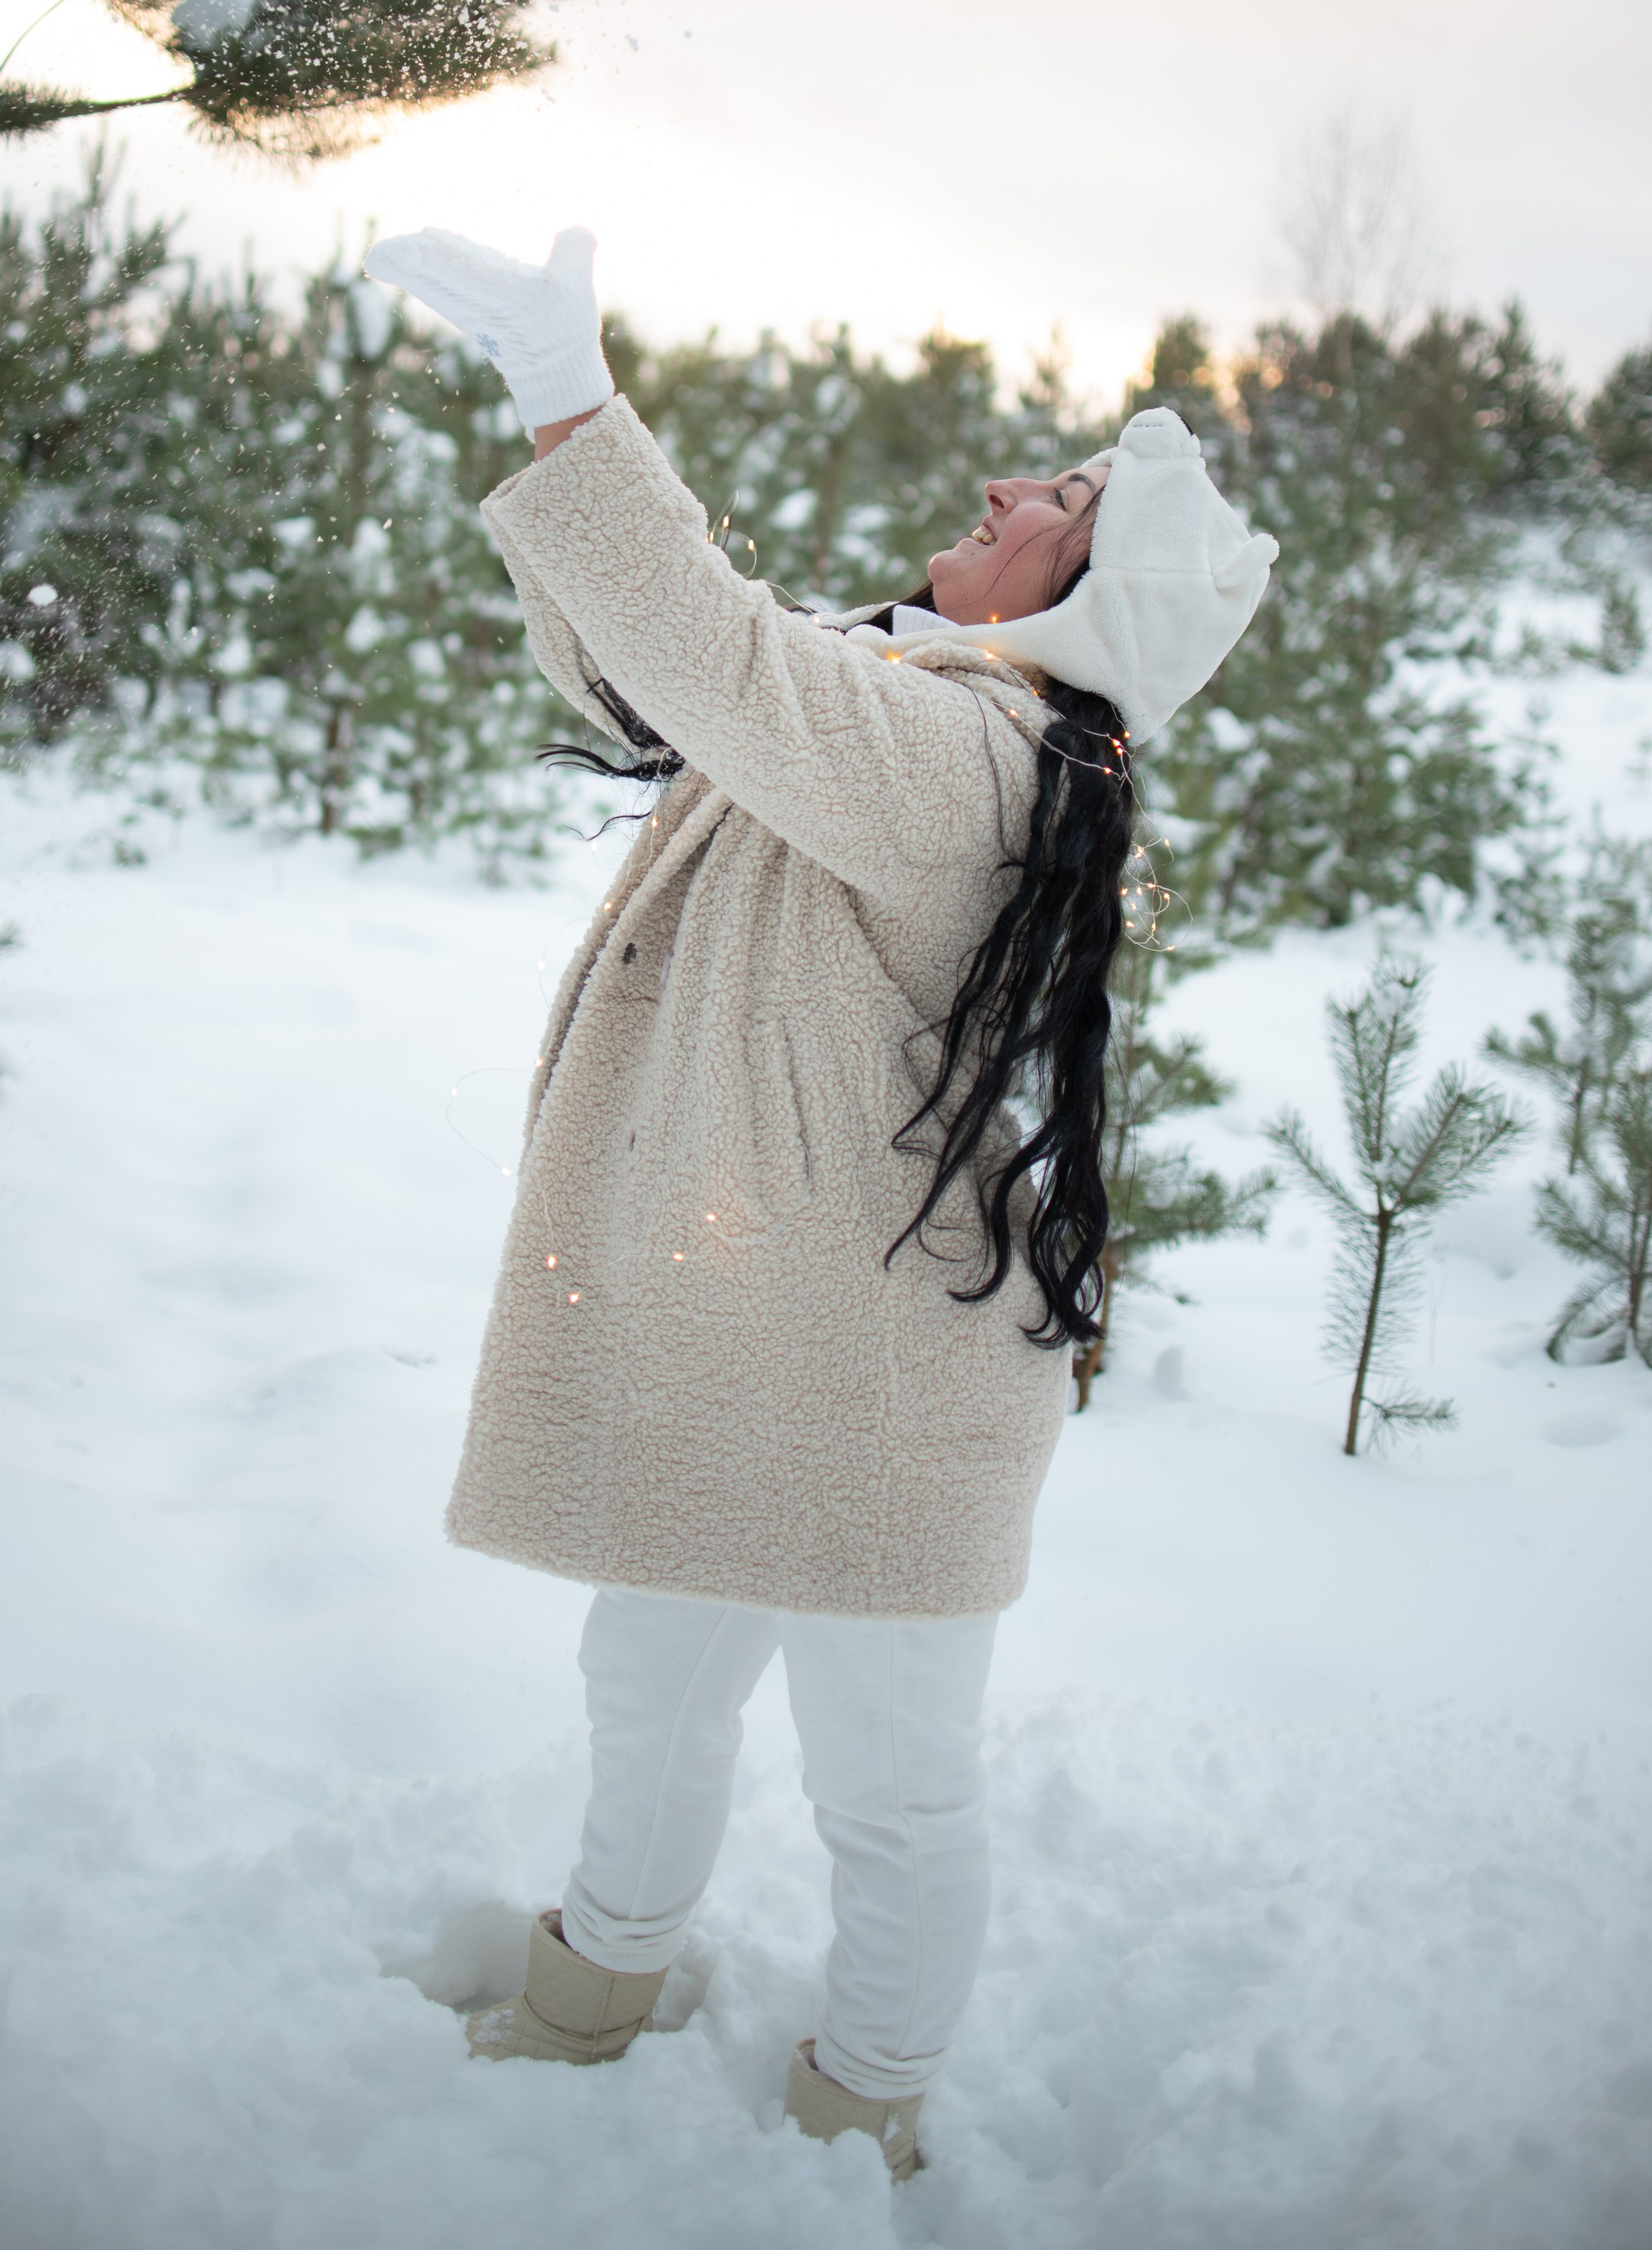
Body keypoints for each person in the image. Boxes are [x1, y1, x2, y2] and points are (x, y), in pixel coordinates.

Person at [363, 223, 1277, 2180]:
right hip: (750, 1335)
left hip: (883, 1403)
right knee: (648, 1677)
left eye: (1065, 496)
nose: (1009, 484)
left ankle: (861, 2108)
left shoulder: (980, 757)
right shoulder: (910, 697)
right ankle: (598, 1975)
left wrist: (571, 398)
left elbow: (714, 651)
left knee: (888, 1787)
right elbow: (673, 673)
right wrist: (557, 429)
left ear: (1095, 593)